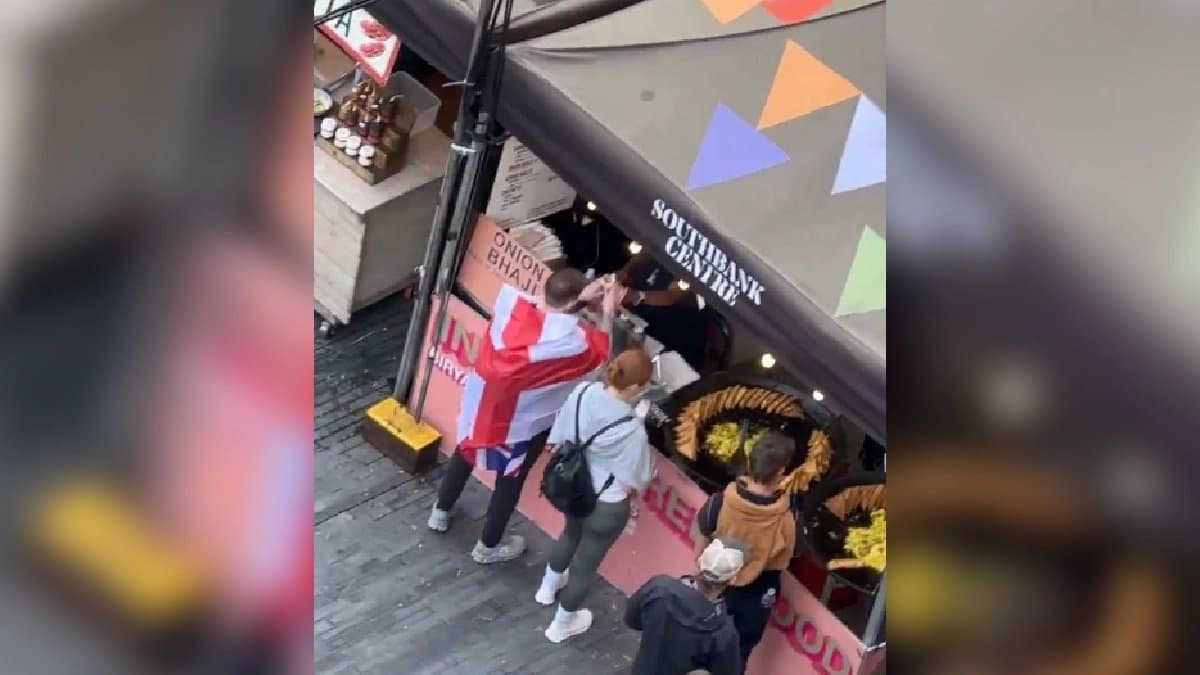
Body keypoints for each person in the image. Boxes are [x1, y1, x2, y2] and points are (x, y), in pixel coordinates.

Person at [428, 268, 612, 564]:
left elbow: (548, 307)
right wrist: (607, 308)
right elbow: (603, 354)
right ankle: (487, 547)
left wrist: (578, 300)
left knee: (467, 449)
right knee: (510, 479)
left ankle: (441, 510)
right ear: (575, 300)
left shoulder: (510, 305)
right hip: (521, 422)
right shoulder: (570, 344)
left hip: (481, 406)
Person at [536, 348, 657, 643]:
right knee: (585, 566)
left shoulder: (582, 392)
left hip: (573, 488)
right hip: (606, 505)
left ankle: (546, 589)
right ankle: (561, 626)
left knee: (569, 535)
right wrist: (637, 423)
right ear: (633, 388)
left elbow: (559, 435)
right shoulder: (633, 431)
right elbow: (638, 477)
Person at [694, 430, 801, 672]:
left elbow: (702, 532)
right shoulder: (788, 515)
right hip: (758, 590)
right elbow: (792, 553)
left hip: (715, 580)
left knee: (700, 638)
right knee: (740, 650)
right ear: (781, 472)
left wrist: (702, 565)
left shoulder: (720, 501)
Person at [624, 538, 745, 675]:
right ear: (733, 579)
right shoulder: (724, 633)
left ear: (700, 563)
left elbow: (631, 619)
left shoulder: (659, 589)